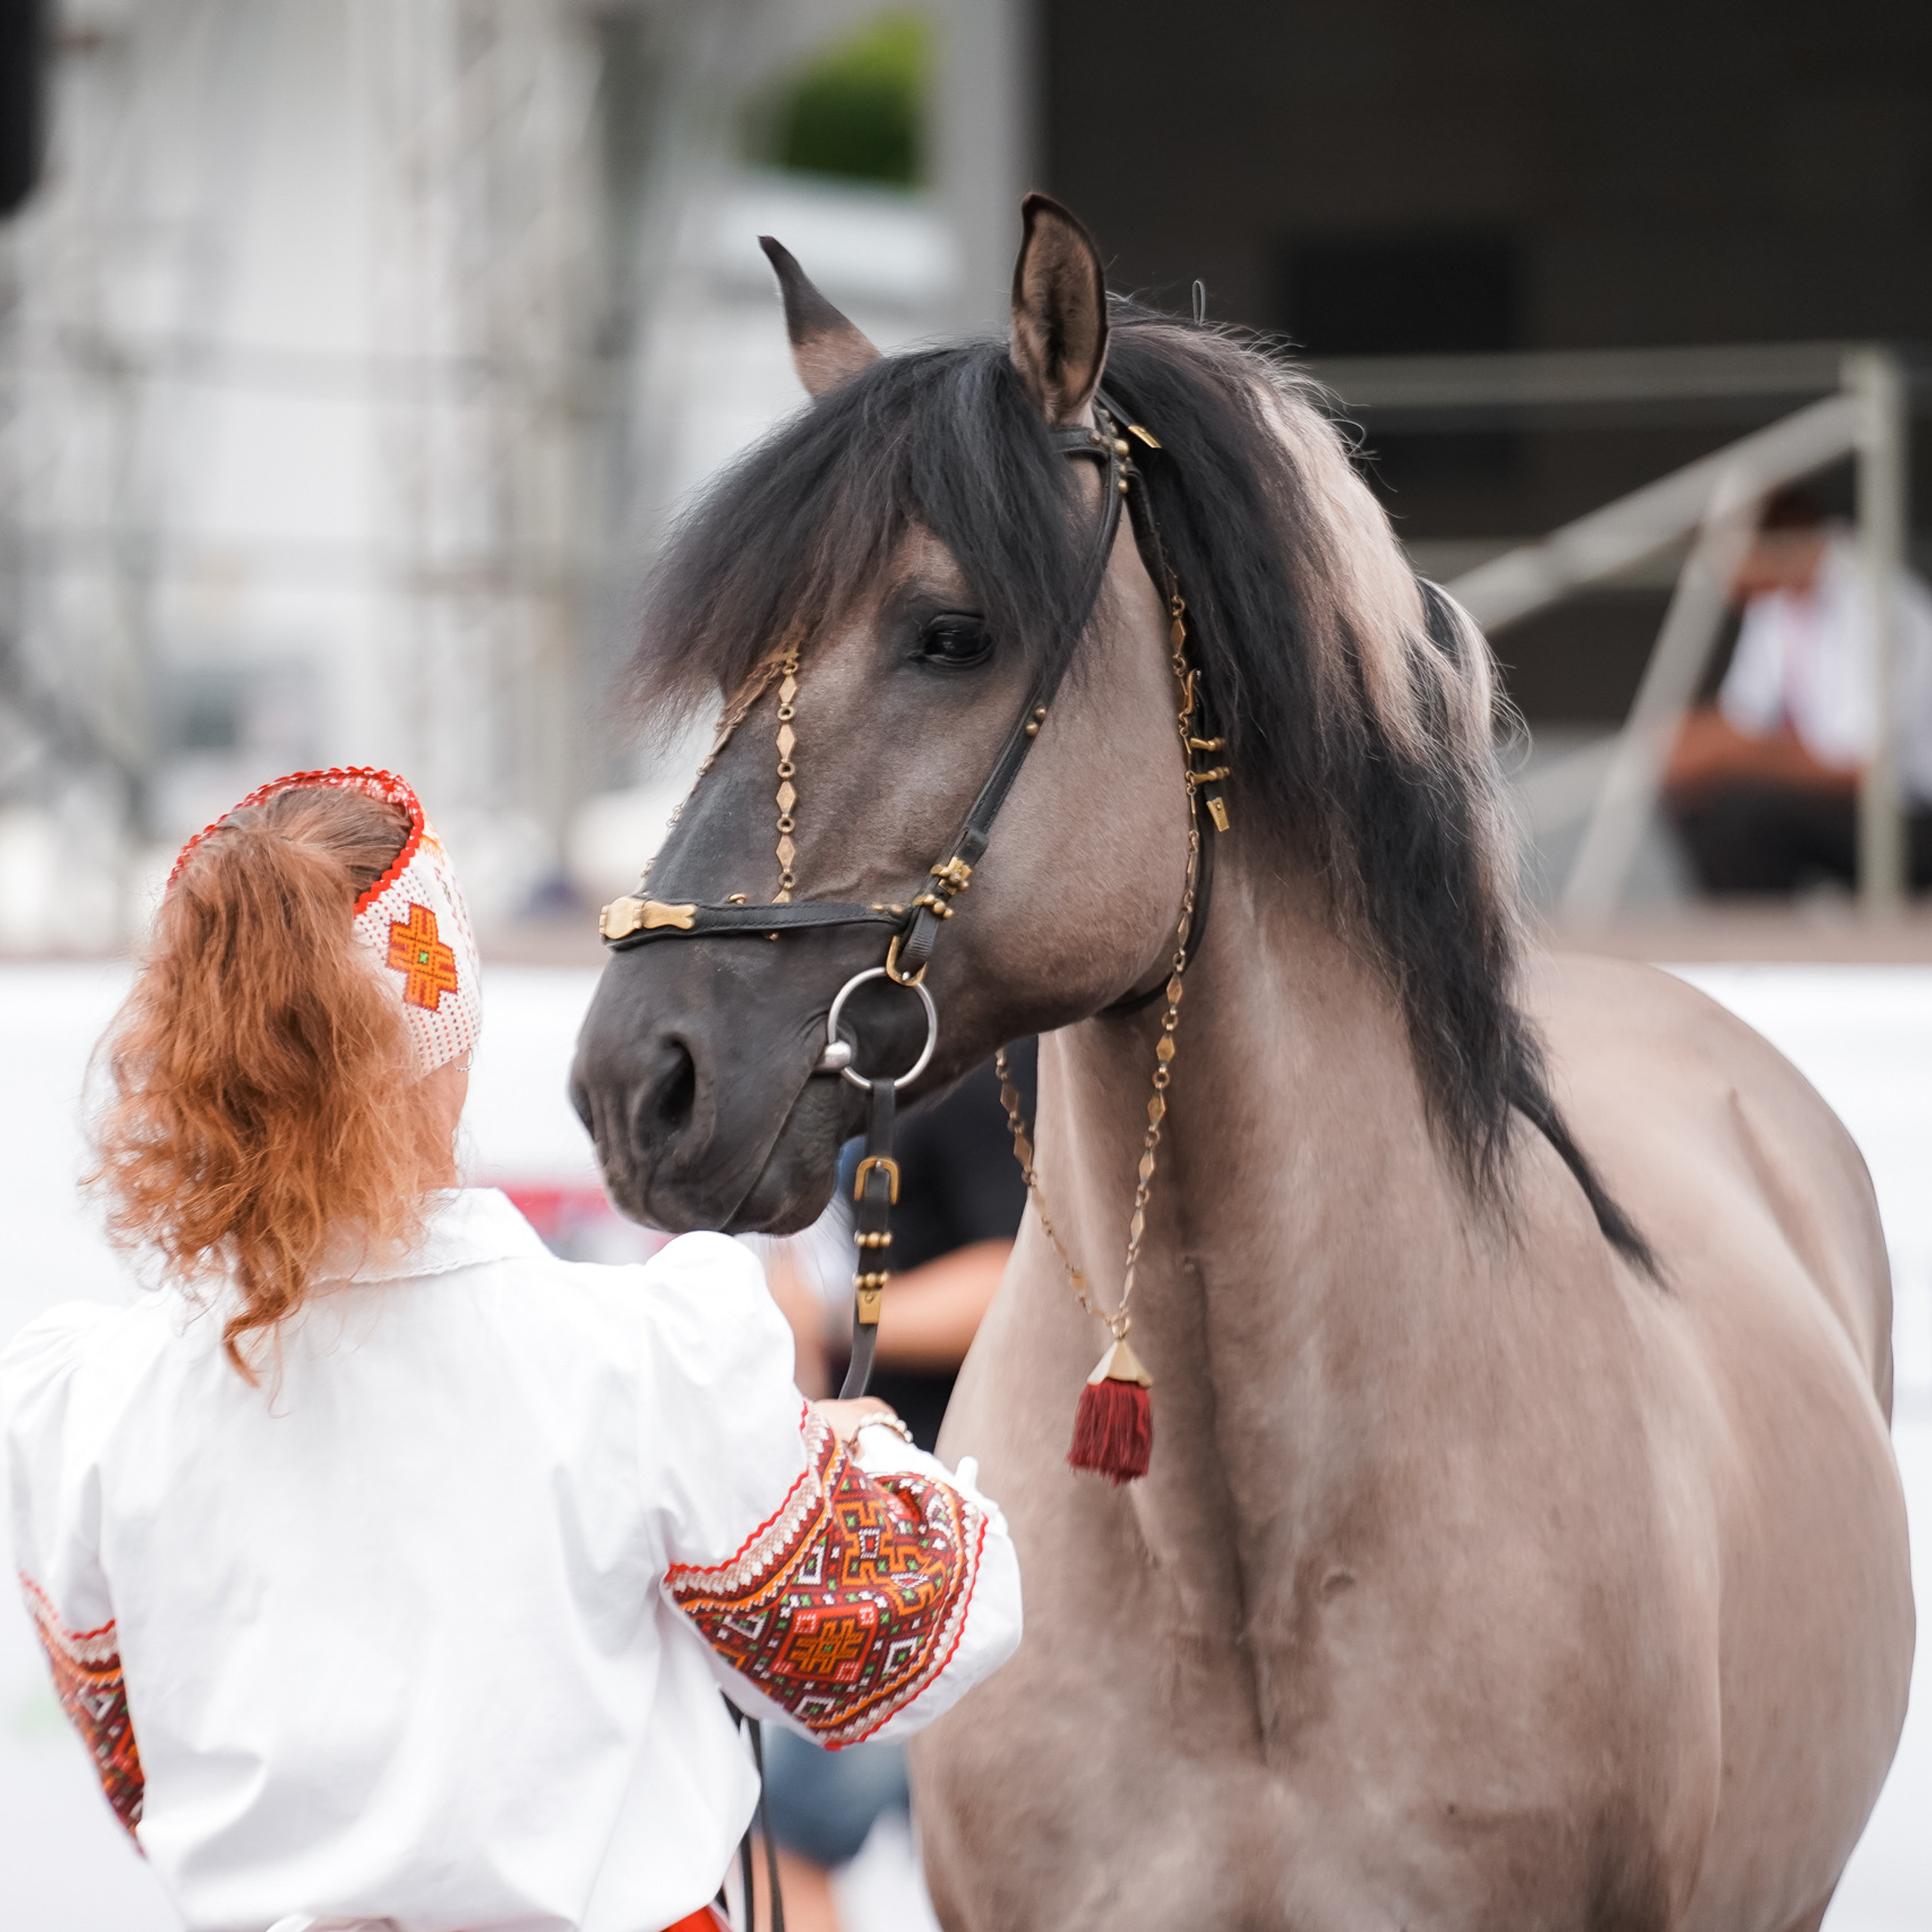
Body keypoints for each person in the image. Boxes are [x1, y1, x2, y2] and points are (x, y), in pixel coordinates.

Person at [0, 767, 1020, 1932]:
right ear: (453, 1025)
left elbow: (140, 1772)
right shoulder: (636, 1362)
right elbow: (925, 1634)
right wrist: (850, 1459)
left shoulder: (89, 1406)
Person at [759, 1047, 1035, 1932]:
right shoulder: (875, 1067)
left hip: (953, 1531)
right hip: (896, 1525)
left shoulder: (986, 1068)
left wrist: (834, 1320)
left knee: (788, 1827)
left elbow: (1015, 1276)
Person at [1664, 489, 1932, 892]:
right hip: (1855, 803)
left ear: (1785, 536)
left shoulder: (1870, 594)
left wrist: (1736, 751)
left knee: (1747, 812)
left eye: (1728, 552)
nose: (1721, 576)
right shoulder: (1776, 604)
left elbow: (1862, 767)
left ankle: (1760, 941)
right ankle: (1741, 936)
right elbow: (1744, 717)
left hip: (1909, 812)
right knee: (1696, 792)